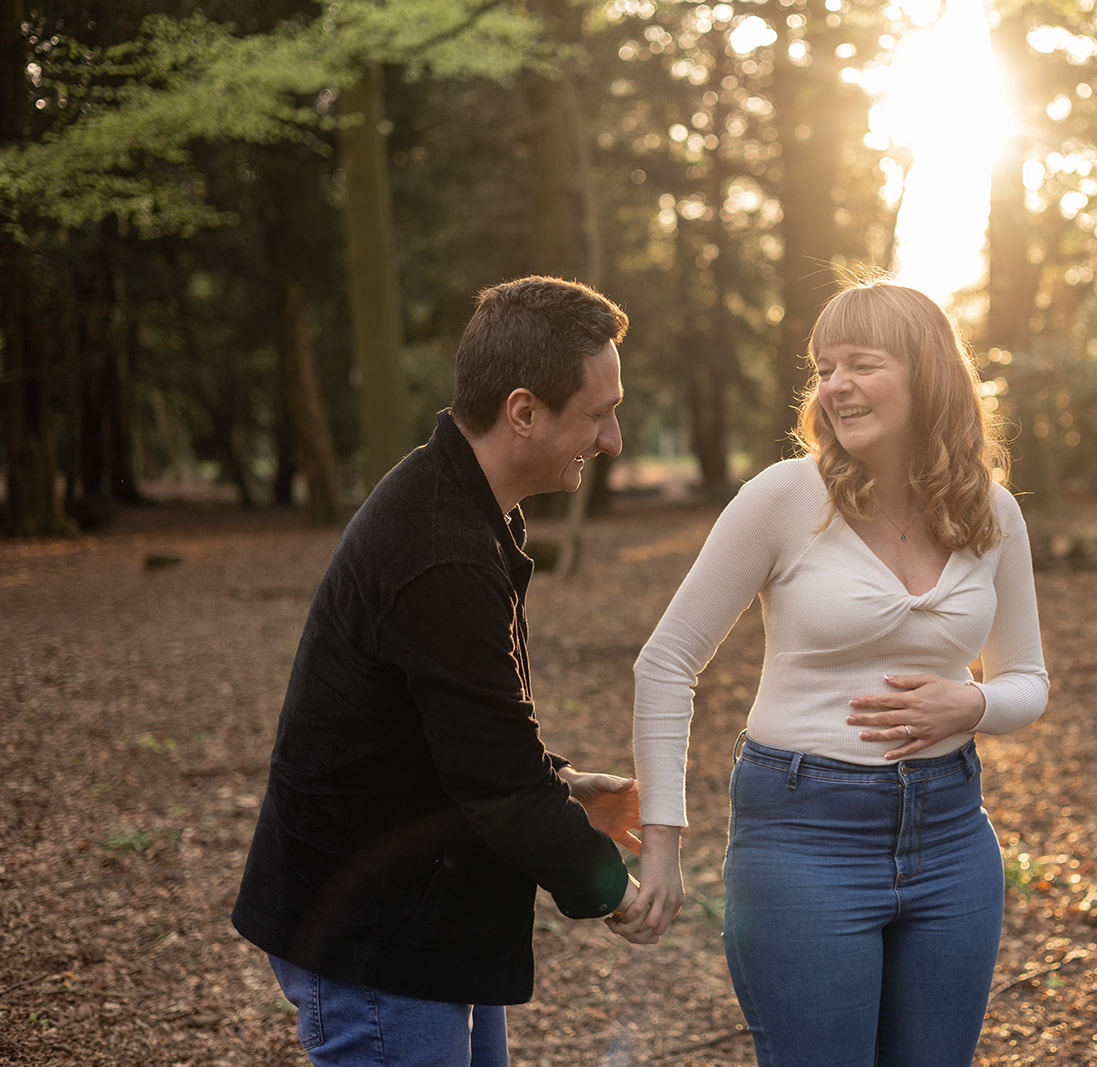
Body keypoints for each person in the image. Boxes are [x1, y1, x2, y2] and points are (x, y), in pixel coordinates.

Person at [231, 275, 654, 1067]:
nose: (613, 440)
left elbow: (456, 731)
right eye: (599, 414)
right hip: (374, 938)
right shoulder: (442, 549)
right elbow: (495, 779)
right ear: (523, 410)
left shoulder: (467, 507)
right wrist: (616, 891)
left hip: (425, 913)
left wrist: (558, 782)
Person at [627, 279, 1050, 1066]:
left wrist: (974, 702)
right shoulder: (785, 497)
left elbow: (1028, 678)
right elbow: (667, 662)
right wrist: (662, 842)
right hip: (802, 837)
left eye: (861, 363)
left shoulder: (993, 511)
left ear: (927, 374)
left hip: (953, 836)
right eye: (825, 369)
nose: (835, 387)